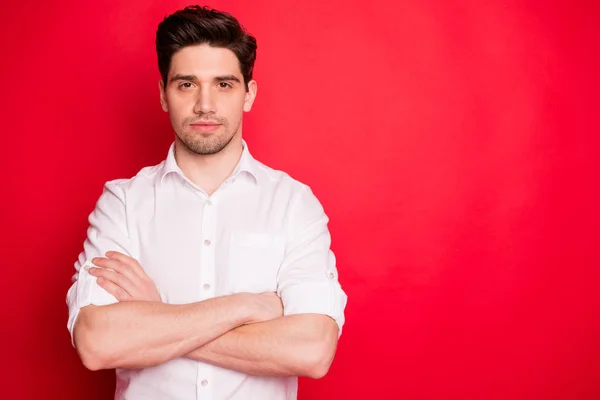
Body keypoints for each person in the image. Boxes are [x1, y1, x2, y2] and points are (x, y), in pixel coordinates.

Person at [65, 5, 348, 400]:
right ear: (163, 94)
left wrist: (159, 314)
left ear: (248, 94)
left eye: (224, 84)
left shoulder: (293, 204)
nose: (205, 104)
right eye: (186, 84)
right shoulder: (123, 204)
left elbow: (312, 351)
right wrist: (246, 306)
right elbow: (97, 344)